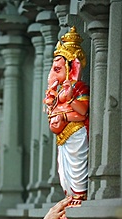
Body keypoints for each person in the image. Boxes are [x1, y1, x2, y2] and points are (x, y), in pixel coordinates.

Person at [44, 26, 89, 206]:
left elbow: (83, 112)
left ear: (71, 67)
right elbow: (52, 111)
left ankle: (79, 195)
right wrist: (51, 104)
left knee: (77, 165)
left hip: (76, 133)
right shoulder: (58, 90)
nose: (53, 73)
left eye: (57, 68)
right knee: (64, 170)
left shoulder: (78, 88)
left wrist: (69, 101)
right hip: (62, 137)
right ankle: (70, 195)